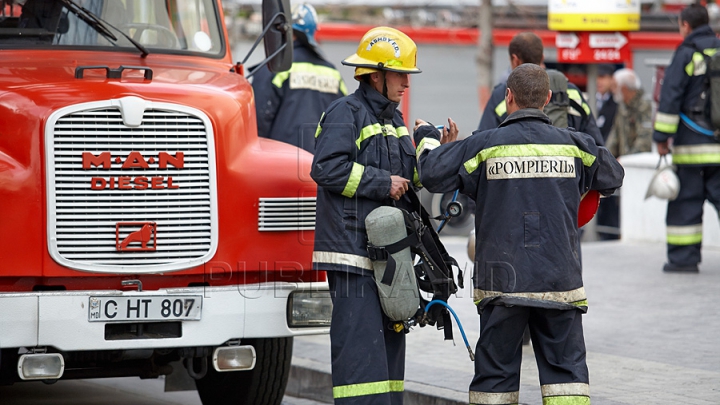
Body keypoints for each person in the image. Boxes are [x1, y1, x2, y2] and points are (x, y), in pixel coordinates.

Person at [413, 64, 624, 405]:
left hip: (502, 286)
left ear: (508, 97)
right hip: (559, 284)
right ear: (548, 99)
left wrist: (427, 140)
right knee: (566, 382)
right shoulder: (576, 146)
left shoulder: (483, 146)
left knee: (495, 382)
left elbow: (431, 174)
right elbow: (613, 175)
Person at [310, 26, 457, 405]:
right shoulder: (345, 112)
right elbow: (326, 169)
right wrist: (381, 182)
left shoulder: (395, 122)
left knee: (390, 355)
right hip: (351, 253)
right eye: (401, 74)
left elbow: (410, 181)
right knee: (361, 359)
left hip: (388, 255)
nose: (407, 83)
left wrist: (442, 151)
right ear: (376, 74)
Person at [652, 4, 720, 273]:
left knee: (685, 204)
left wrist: (661, 137)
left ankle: (683, 260)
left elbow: (670, 97)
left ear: (685, 26)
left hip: (692, 148)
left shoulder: (685, 54)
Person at [477, 32, 604, 147]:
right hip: (566, 170)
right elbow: (596, 144)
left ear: (515, 60)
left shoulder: (504, 94)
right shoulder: (571, 91)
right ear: (542, 57)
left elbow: (482, 145)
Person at [251, 3, 347, 153]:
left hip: (280, 164)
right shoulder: (332, 72)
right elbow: (345, 121)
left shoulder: (275, 67)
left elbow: (256, 123)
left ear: (282, 30)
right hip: (322, 167)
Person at [597, 68, 654, 240]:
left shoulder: (645, 106)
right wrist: (604, 157)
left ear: (624, 88)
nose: (613, 90)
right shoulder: (622, 107)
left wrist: (626, 161)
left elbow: (644, 140)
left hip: (637, 168)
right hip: (623, 166)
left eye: (615, 86)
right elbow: (615, 136)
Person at [595, 63, 618, 144]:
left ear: (611, 79)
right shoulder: (588, 101)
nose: (599, 81)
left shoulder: (617, 103)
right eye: (597, 77)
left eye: (603, 77)